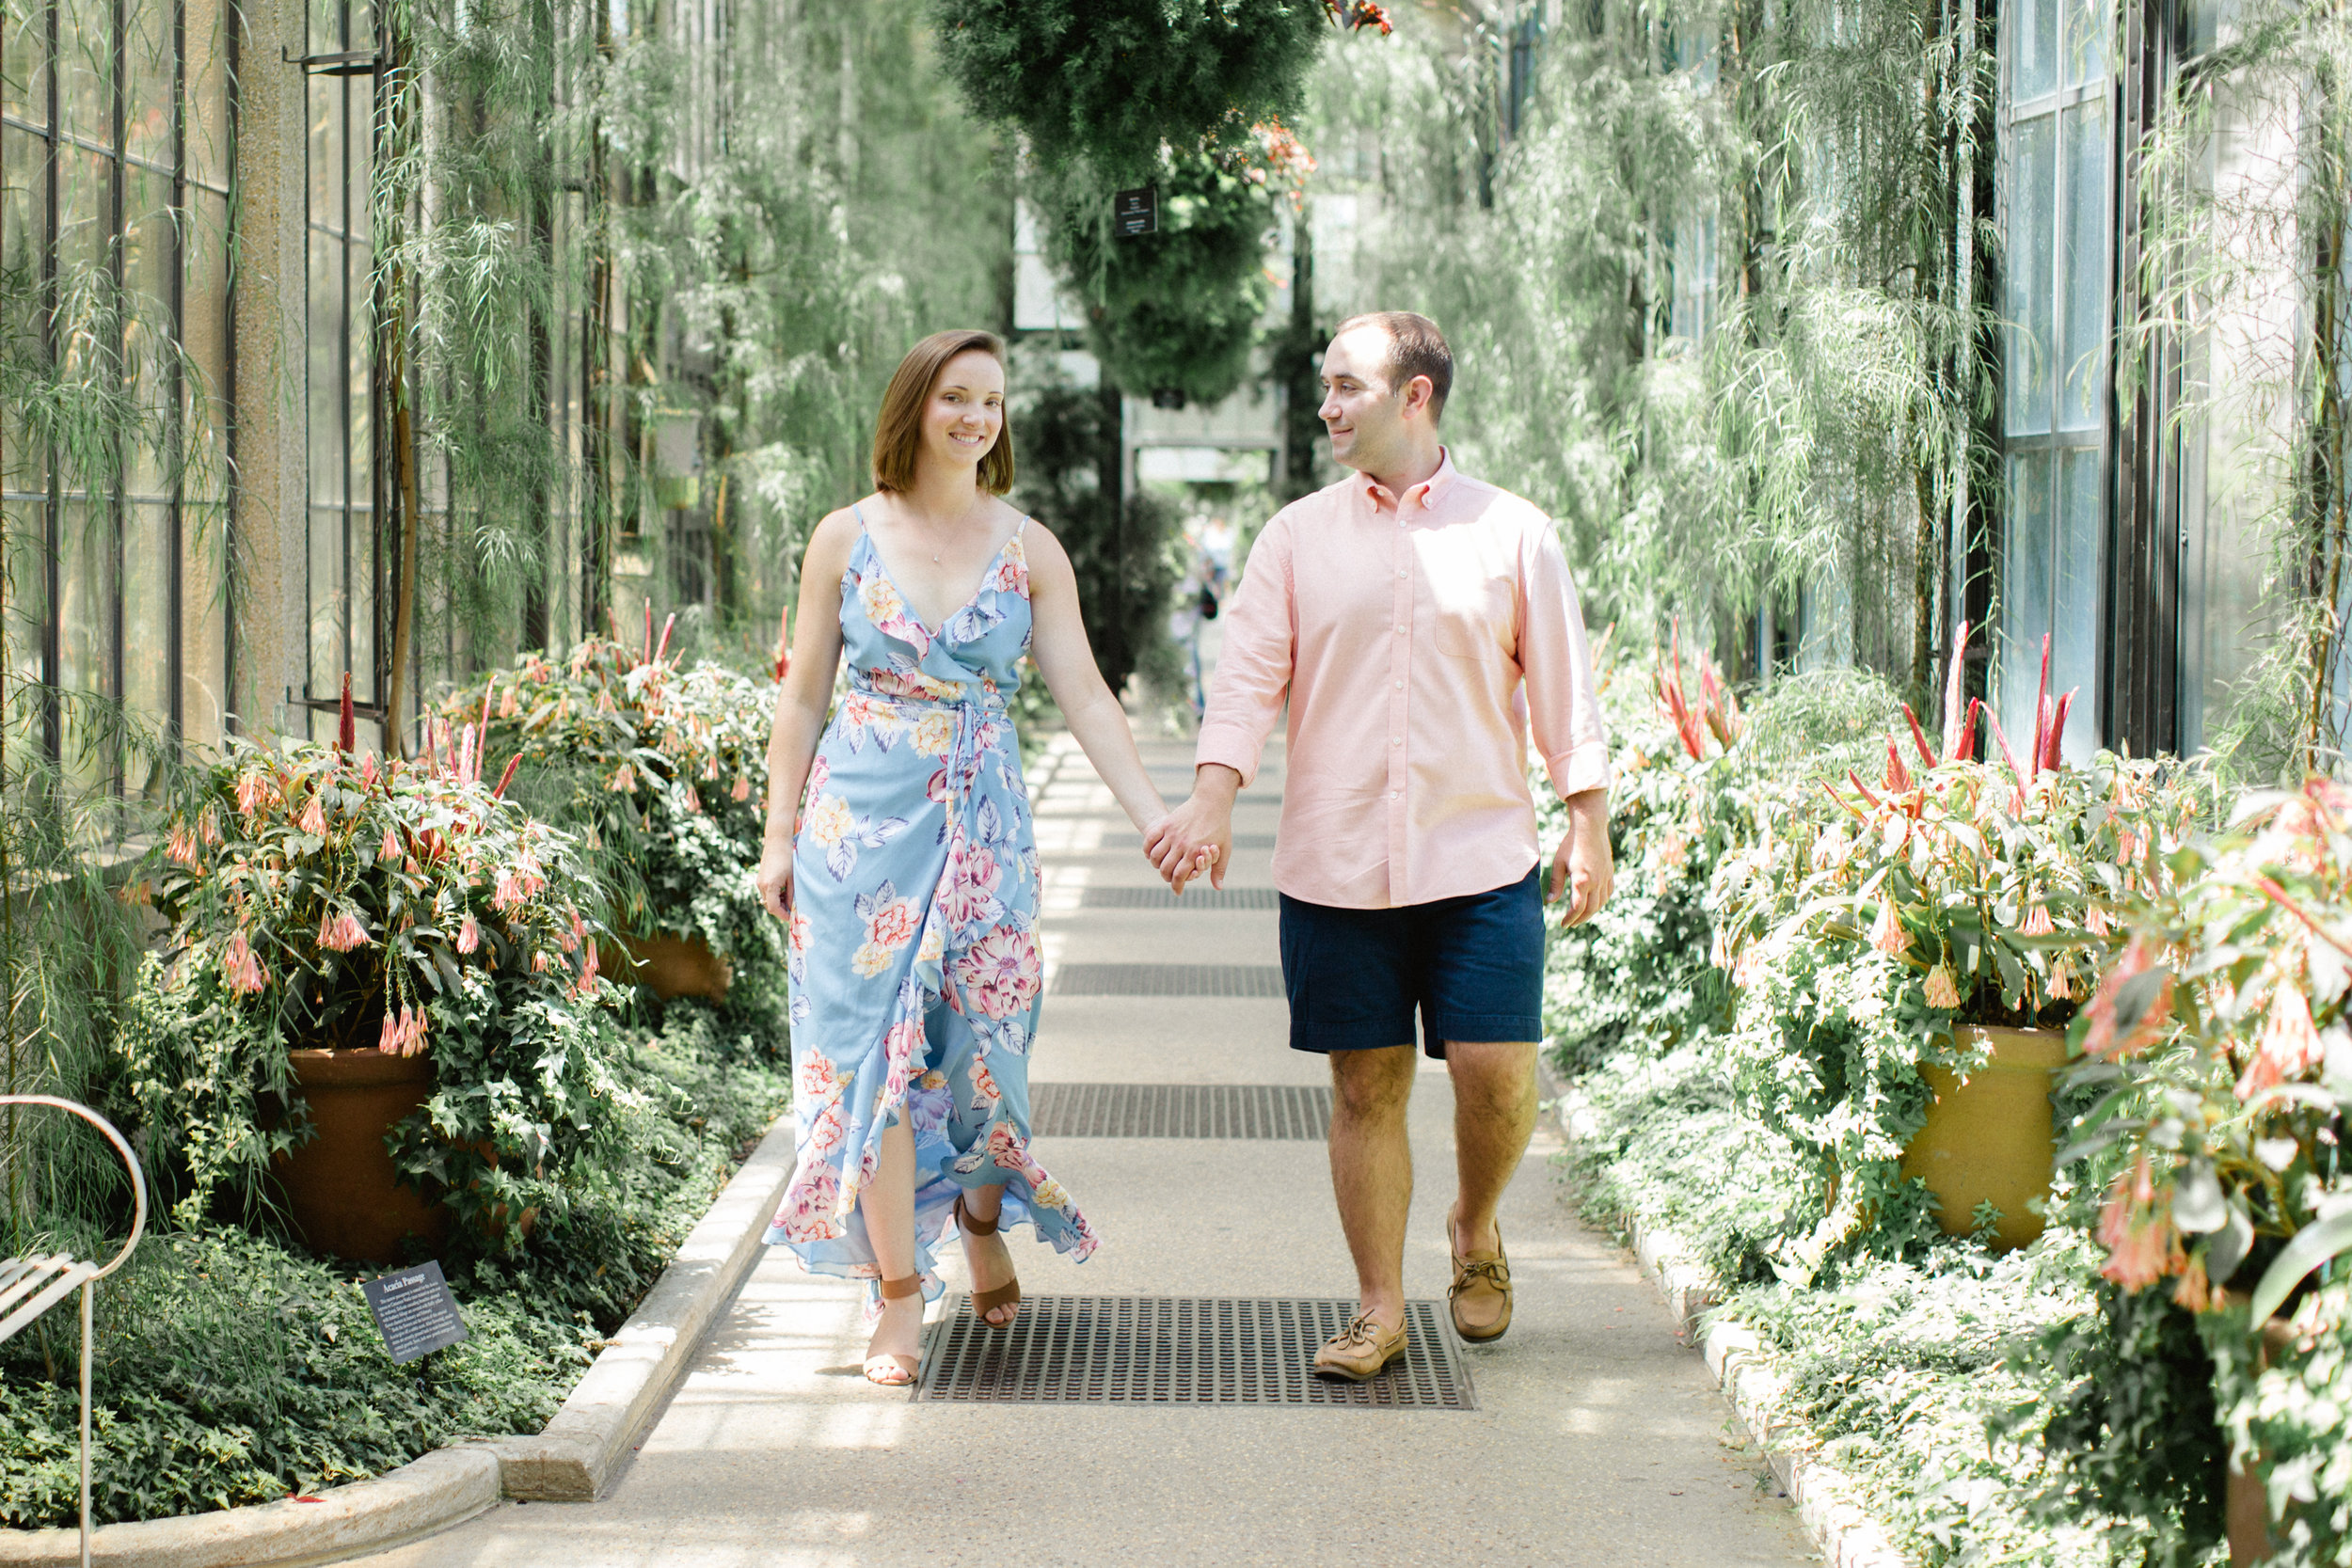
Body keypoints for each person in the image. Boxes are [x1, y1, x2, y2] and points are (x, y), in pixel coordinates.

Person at [1145, 311, 1614, 1381]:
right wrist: (1213, 798)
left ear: (1415, 395)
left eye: (1348, 384)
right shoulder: (1296, 537)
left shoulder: (1512, 532)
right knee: (1366, 1084)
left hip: (1479, 855)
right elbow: (1250, 675)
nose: (1327, 404)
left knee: (1496, 1072)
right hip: (1335, 860)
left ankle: (1474, 1226)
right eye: (1325, 384)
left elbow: (1562, 686)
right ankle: (1376, 1304)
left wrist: (1587, 819)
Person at [755, 330, 1183, 1386]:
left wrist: (1151, 815)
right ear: (915, 406)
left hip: (985, 829)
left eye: (991, 403)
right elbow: (803, 694)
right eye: (956, 397)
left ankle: (982, 1219)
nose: (976, 419)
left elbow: (1085, 692)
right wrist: (774, 836)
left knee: (982, 1053)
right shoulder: (842, 538)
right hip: (859, 829)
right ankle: (897, 1297)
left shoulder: (1028, 548)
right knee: (877, 1063)